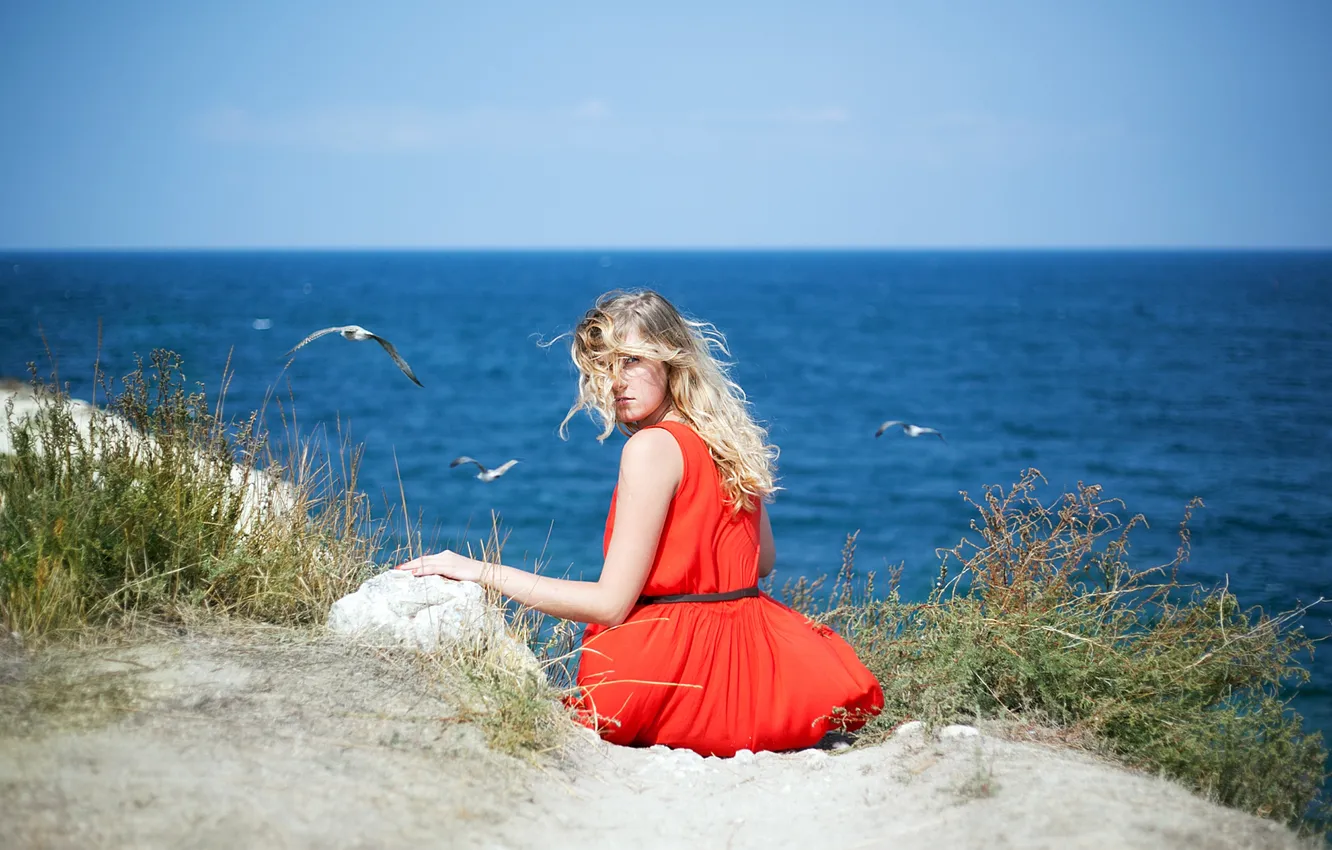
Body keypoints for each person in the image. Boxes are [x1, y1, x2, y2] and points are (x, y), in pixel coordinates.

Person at [396, 289, 883, 756]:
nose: (614, 382)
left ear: (672, 359)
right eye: (604, 367)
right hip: (762, 672)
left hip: (669, 677)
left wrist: (482, 570)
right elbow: (762, 563)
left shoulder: (650, 448)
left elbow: (609, 606)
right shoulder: (727, 442)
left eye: (630, 360)